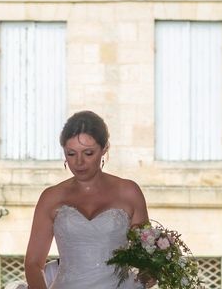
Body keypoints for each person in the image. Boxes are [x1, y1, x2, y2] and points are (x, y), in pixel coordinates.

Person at [24, 110, 149, 289]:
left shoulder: (128, 192)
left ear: (105, 148)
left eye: (88, 153)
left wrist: (147, 277)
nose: (79, 162)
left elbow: (147, 257)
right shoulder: (51, 197)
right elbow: (33, 263)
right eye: (71, 153)